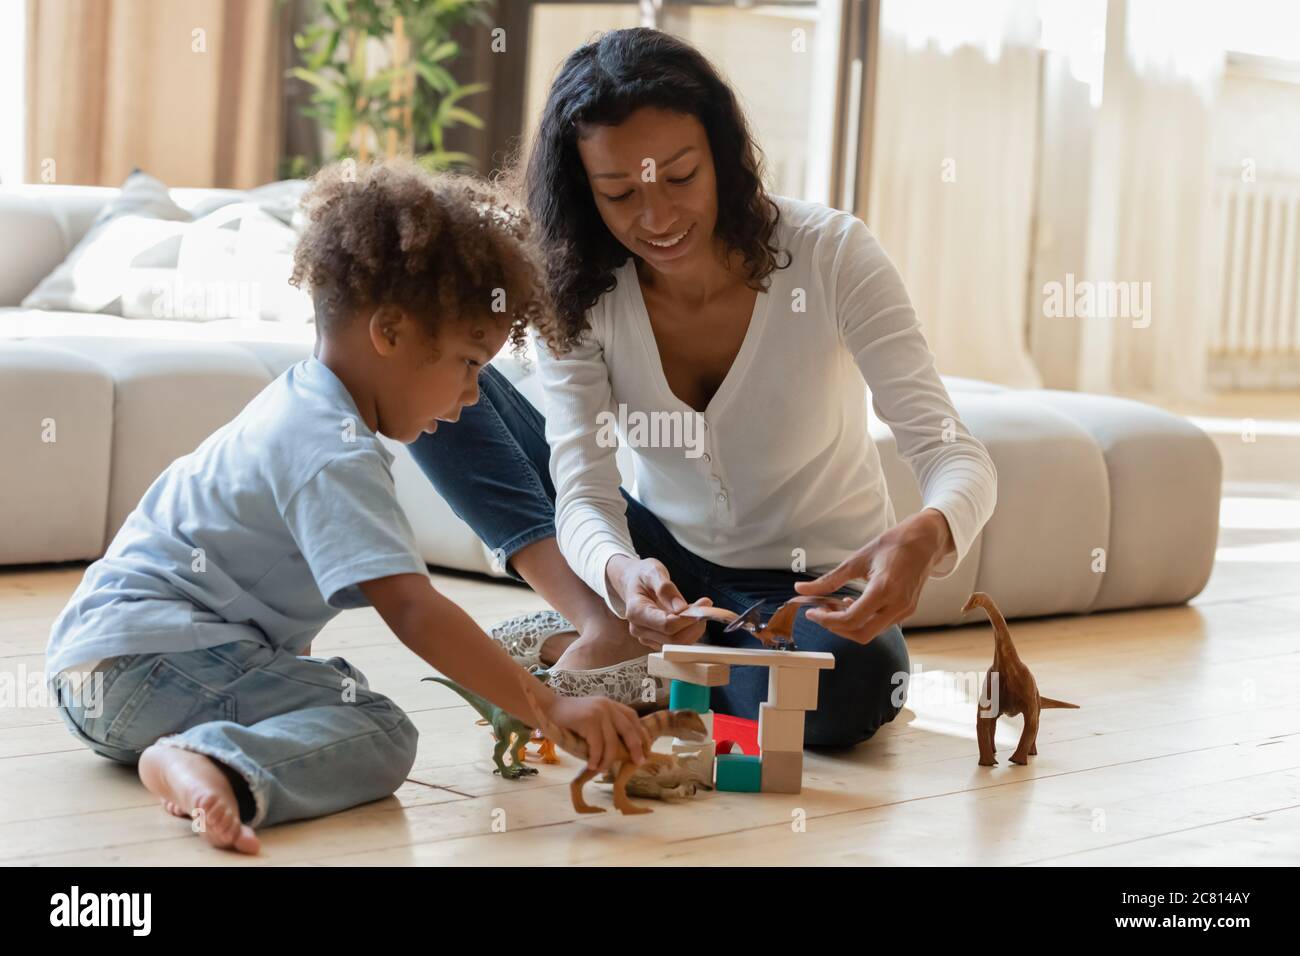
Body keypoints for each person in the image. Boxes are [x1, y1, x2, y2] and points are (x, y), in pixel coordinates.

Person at [407, 28, 998, 747]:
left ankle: (650, 666)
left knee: (851, 686)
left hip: (809, 591)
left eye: (681, 177)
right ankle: (607, 628)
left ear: (721, 155)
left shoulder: (833, 256)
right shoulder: (580, 290)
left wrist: (930, 531)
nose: (656, 219)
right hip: (658, 561)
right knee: (425, 388)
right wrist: (619, 571)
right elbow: (586, 495)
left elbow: (954, 455)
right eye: (618, 193)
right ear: (582, 193)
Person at [45, 160, 648, 854]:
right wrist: (547, 705)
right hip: (148, 667)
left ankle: (189, 749)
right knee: (382, 731)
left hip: (96, 675)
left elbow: (273, 608)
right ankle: (208, 761)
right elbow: (414, 610)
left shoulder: (300, 405)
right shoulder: (332, 447)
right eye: (467, 363)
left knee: (341, 690)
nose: (475, 395)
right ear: (389, 332)